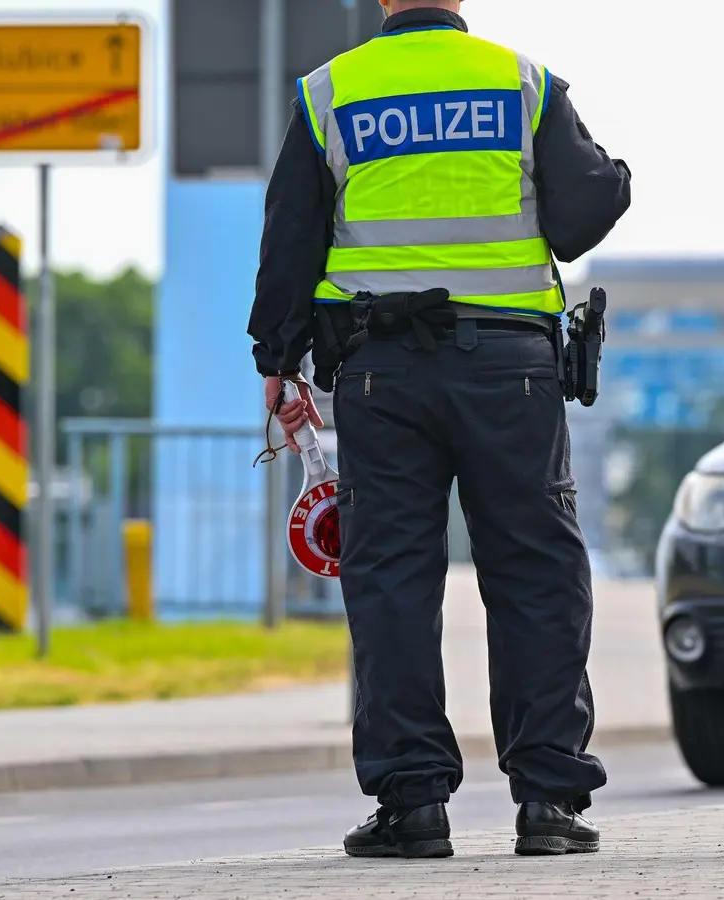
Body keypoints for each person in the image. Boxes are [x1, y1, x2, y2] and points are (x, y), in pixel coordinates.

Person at [248, 0, 631, 860]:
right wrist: (616, 176)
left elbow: (290, 242)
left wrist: (279, 360)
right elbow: (581, 217)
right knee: (535, 573)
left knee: (390, 580)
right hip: (511, 373)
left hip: (382, 376)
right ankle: (549, 803)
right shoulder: (523, 83)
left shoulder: (329, 95)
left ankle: (412, 803)